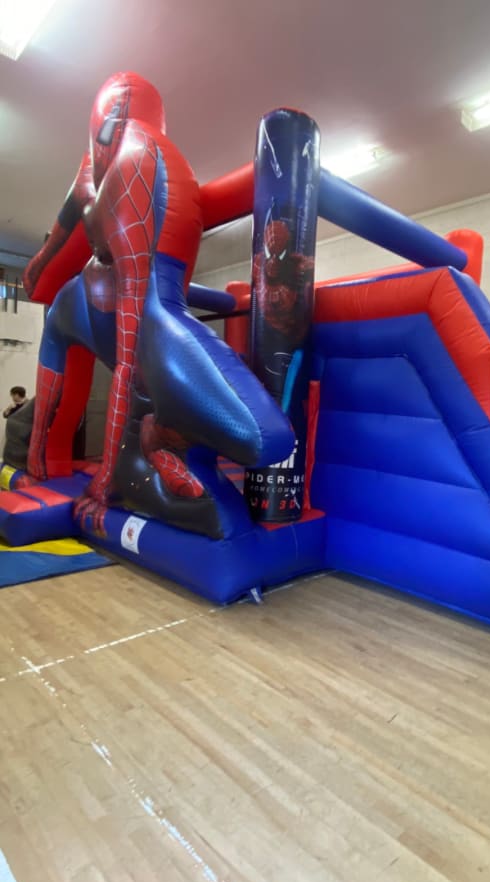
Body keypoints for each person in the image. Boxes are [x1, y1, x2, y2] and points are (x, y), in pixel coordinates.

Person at [22, 72, 293, 537]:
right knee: (63, 334)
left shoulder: (137, 162)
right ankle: (39, 453)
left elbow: (131, 351)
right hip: (95, 304)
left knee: (265, 437)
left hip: (144, 309)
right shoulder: (94, 167)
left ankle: (157, 438)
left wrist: (107, 474)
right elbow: (63, 229)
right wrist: (37, 266)